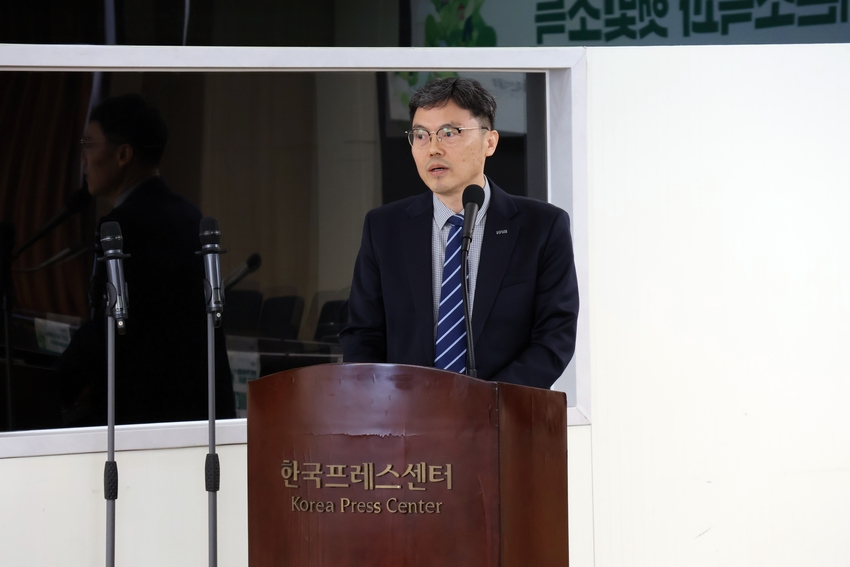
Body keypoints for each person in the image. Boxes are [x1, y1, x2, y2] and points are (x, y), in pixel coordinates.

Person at [340, 78, 579, 389]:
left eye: (449, 133)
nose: (433, 148)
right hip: (404, 413)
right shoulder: (384, 228)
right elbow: (362, 334)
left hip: (503, 411)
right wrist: (384, 402)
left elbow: (554, 337)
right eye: (420, 135)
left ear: (489, 142)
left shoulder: (542, 227)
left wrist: (486, 402)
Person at [57, 93, 235, 425]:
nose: (83, 159)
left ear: (123, 154)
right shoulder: (190, 216)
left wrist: (52, 388)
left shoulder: (122, 225)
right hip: (201, 408)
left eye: (90, 146)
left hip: (144, 414)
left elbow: (109, 328)